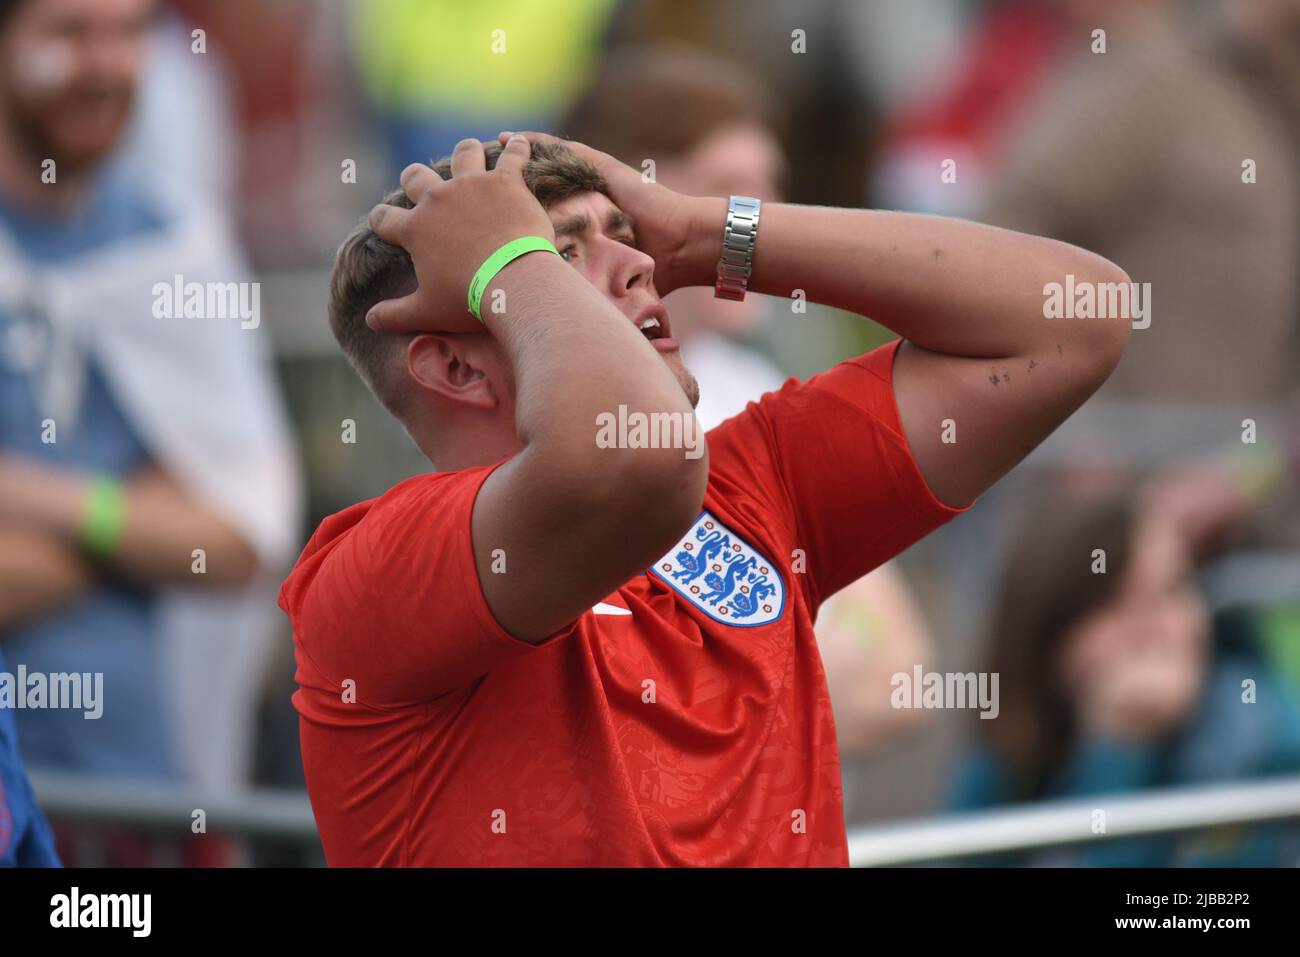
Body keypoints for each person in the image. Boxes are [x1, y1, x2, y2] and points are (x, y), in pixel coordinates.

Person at [280, 131, 1130, 866]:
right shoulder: (369, 571)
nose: (643, 265)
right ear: (455, 367)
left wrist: (708, 230)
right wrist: (509, 259)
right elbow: (631, 459)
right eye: (564, 253)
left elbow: (1074, 317)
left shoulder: (752, 481)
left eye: (629, 236)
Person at [562, 45, 936, 758]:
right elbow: (610, 717)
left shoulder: (755, 388)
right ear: (626, 205)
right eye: (730, 189)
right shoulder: (553, 412)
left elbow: (904, 672)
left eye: (771, 189)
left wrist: (734, 700)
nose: (761, 224)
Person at [0, 0, 299, 824]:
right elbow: (193, 527)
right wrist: (138, 526)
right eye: (68, 33)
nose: (108, 65)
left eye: (130, 33)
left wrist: (37, 499)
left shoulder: (170, 245)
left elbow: (241, 532)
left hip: (140, 799)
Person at [950, 492, 1300, 866]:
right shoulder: (1010, 751)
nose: (1156, 629)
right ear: (1045, 635)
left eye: (1173, 588)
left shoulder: (1266, 751)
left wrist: (1120, 754)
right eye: (1116, 603)